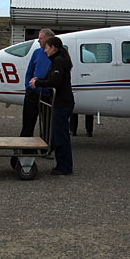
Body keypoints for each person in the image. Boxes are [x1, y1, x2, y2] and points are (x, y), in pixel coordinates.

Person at [29, 36, 74, 175]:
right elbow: (52, 79)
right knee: (58, 134)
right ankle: (63, 165)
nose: (45, 51)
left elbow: (55, 81)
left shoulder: (58, 61)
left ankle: (65, 167)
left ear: (53, 48)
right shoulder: (57, 60)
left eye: (46, 48)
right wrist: (40, 79)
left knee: (60, 135)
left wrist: (38, 83)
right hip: (61, 103)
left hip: (62, 103)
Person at [21, 28, 54, 138]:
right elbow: (29, 71)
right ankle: (25, 148)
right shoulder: (37, 53)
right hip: (33, 93)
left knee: (47, 124)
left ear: (48, 40)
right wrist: (28, 86)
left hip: (47, 95)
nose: (38, 41)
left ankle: (46, 147)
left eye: (41, 39)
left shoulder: (56, 55)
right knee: (27, 123)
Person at [70, 46, 95, 137]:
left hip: (76, 82)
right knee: (88, 109)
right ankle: (89, 131)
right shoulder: (91, 55)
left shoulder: (72, 55)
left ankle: (73, 130)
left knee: (74, 108)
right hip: (88, 82)